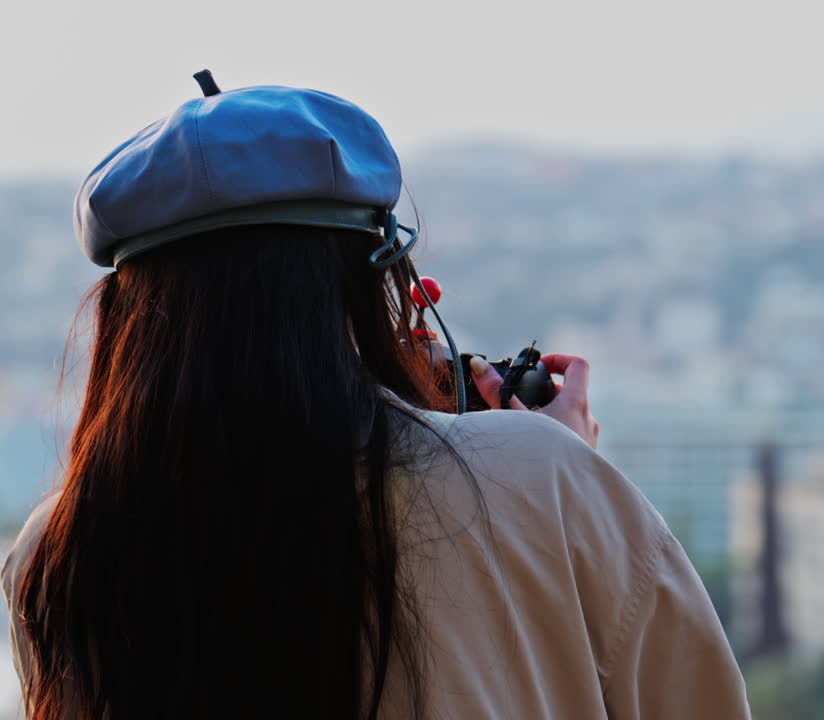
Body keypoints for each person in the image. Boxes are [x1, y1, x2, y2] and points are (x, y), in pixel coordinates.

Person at [1, 72, 750, 719]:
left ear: (128, 325)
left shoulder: (55, 556)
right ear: (375, 283)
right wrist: (552, 471)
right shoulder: (541, 477)